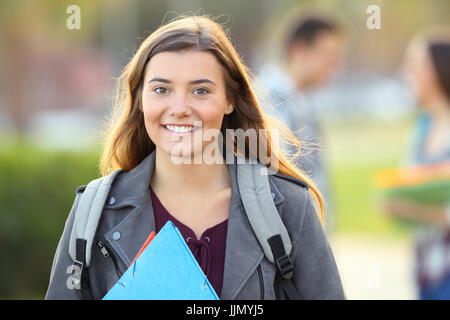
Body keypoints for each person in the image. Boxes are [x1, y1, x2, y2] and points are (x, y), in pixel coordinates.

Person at [45, 15, 344, 300]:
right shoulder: (94, 213)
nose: (179, 108)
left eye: (200, 91)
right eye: (161, 89)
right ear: (140, 100)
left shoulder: (289, 208)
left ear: (229, 100)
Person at [257, 14, 344, 232]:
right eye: (327, 54)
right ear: (299, 50)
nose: (334, 64)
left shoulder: (300, 100)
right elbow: (274, 188)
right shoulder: (269, 104)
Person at [381, 27, 450, 299]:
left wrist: (412, 209)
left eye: (414, 65)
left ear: (435, 71)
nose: (405, 73)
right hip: (426, 272)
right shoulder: (421, 128)